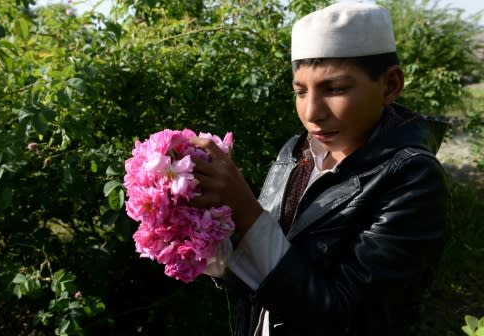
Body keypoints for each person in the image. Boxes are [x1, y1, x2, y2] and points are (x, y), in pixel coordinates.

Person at [190, 2, 450, 335]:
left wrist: (244, 208)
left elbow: (346, 317)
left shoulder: (412, 178)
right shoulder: (297, 152)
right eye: (300, 91)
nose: (312, 112)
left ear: (390, 85)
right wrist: (203, 234)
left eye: (335, 89)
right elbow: (267, 262)